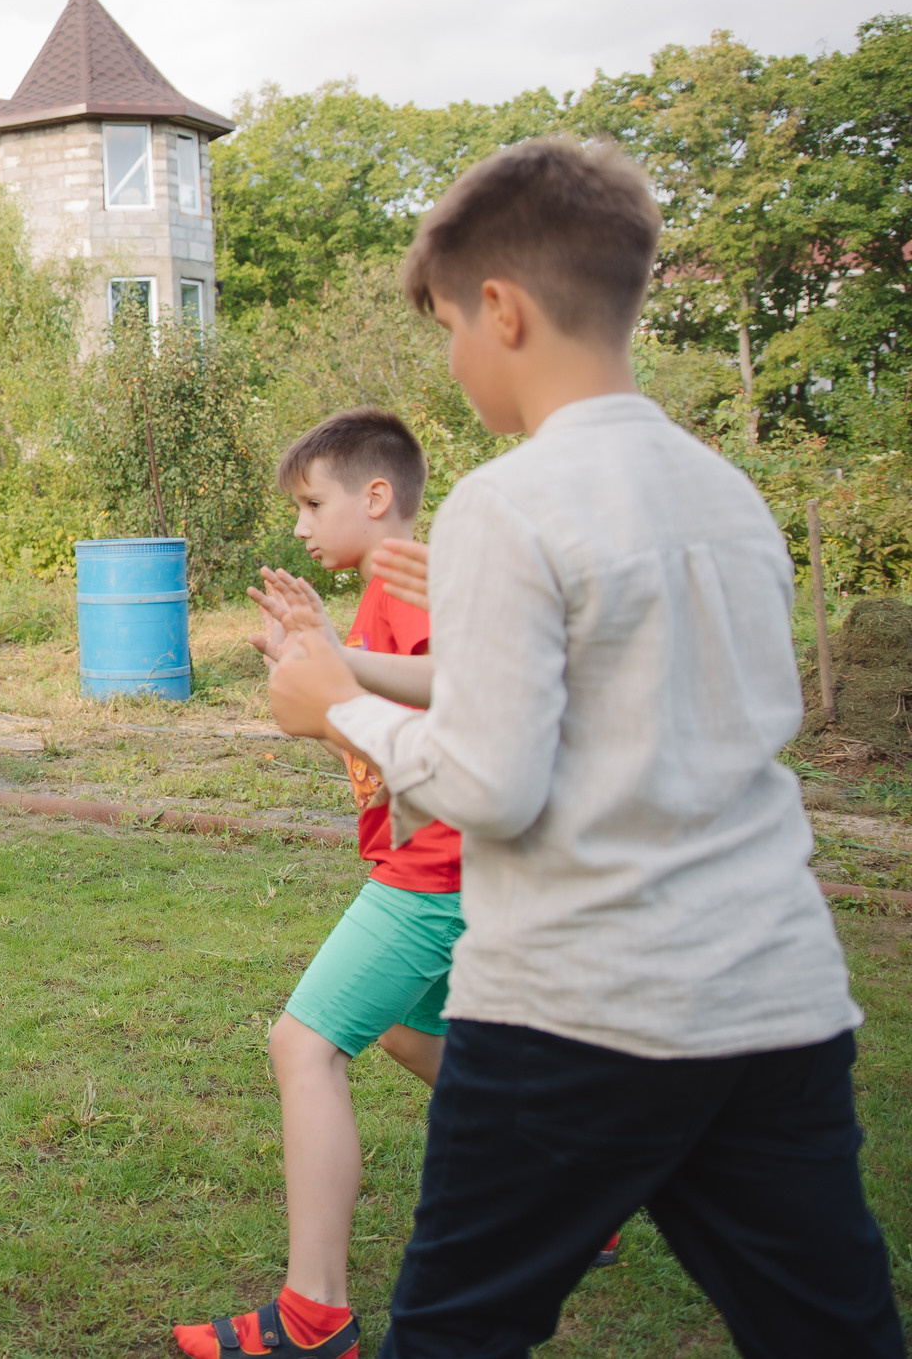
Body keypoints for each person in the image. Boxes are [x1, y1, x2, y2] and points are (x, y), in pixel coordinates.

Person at [267, 138, 902, 1357]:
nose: (454, 362)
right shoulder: (726, 492)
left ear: (499, 312)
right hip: (776, 1002)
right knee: (831, 1333)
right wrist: (351, 671)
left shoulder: (510, 501)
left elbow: (490, 783)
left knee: (455, 1333)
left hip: (579, 1015)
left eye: (450, 326)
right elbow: (582, 701)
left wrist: (332, 710)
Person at [174, 410, 447, 1359]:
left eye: (312, 502)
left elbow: (452, 724)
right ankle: (584, 1183)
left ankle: (314, 1315)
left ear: (377, 499)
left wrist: (324, 688)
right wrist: (312, 669)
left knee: (305, 1044)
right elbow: (379, 733)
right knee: (419, 1032)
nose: (299, 525)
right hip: (447, 864)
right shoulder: (375, 598)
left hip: (438, 869)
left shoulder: (409, 589)